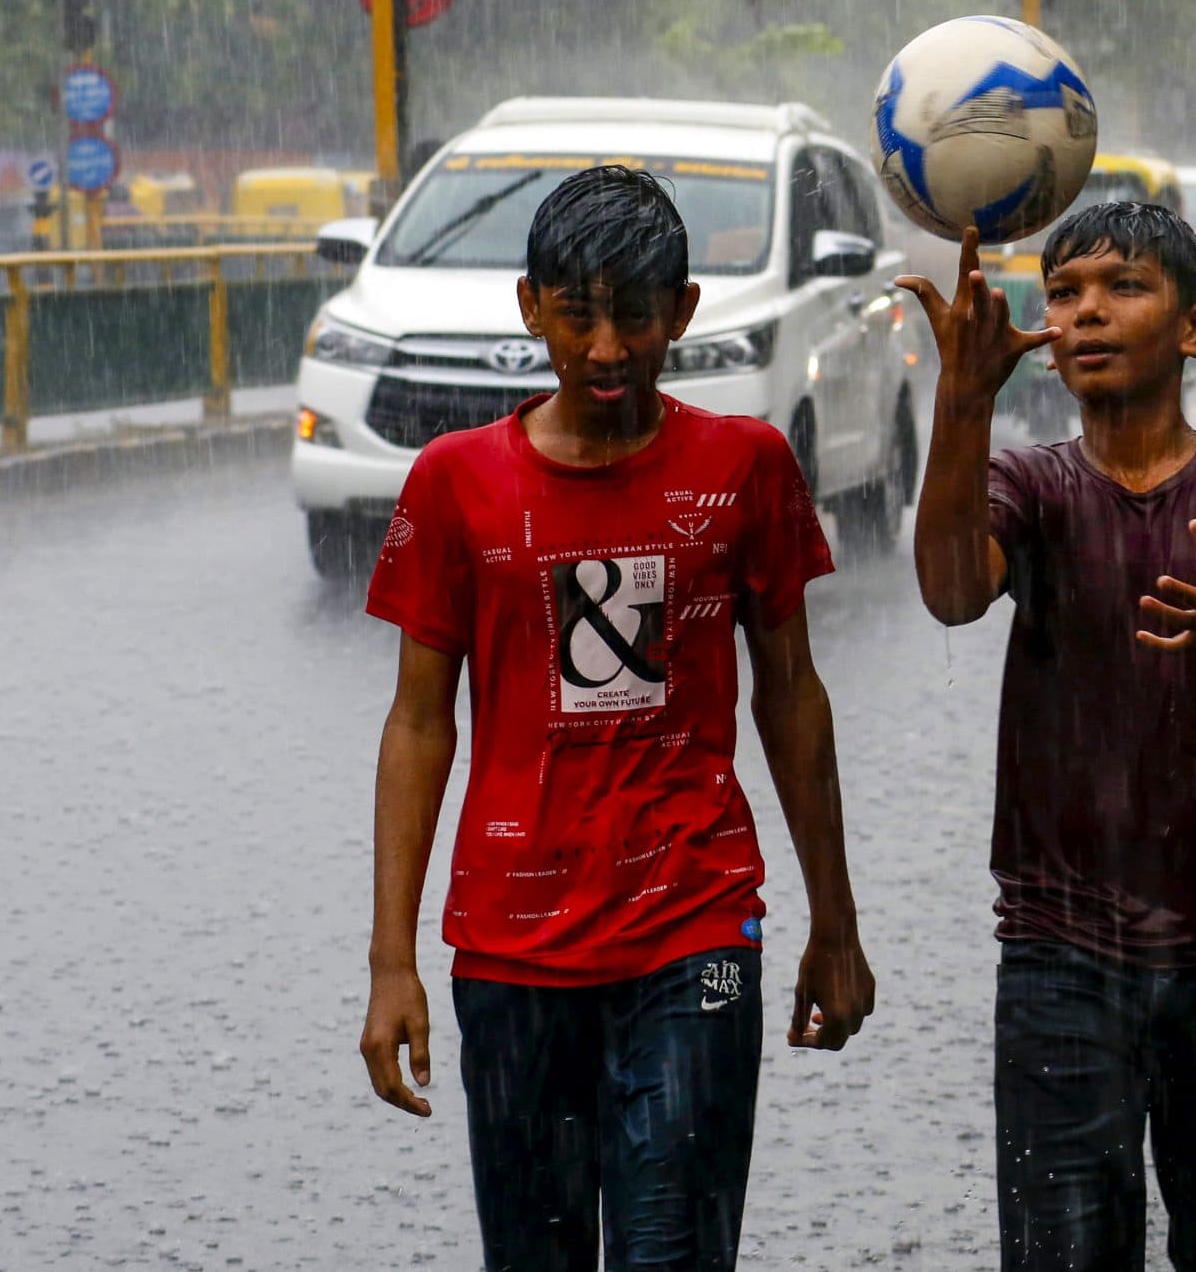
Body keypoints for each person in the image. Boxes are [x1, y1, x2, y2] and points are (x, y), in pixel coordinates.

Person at [358, 165, 875, 1272]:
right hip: (509, 952)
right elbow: (417, 724)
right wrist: (389, 960)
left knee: (674, 1252)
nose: (605, 349)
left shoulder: (745, 467)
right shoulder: (455, 482)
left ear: (681, 312)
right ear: (531, 307)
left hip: (698, 930)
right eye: (578, 315)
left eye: (634, 317)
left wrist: (835, 921)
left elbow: (791, 693)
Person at [895, 205, 1196, 1272]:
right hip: (1061, 960)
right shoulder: (1031, 485)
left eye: (1124, 286)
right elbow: (952, 589)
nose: (1087, 312)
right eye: (1063, 292)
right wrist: (962, 398)